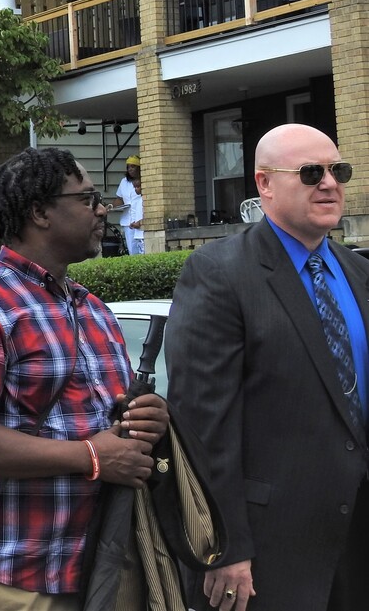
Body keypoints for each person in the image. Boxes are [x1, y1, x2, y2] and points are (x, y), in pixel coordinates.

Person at [0, 146, 167, 609]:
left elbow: (106, 417)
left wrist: (147, 418)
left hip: (104, 566)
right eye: (87, 198)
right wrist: (92, 456)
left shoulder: (92, 309)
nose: (102, 209)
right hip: (14, 576)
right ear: (39, 212)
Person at [166, 124, 369, 611]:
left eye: (337, 170)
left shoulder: (359, 271)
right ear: (264, 184)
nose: (329, 183)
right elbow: (201, 422)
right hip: (269, 553)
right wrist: (224, 546)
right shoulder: (220, 273)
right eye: (310, 172)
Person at [116, 154, 143, 255]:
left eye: (133, 166)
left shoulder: (145, 180)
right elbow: (119, 199)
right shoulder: (124, 182)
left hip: (140, 218)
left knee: (142, 249)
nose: (130, 169)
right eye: (128, 167)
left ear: (139, 168)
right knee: (132, 250)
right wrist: (110, 206)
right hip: (128, 221)